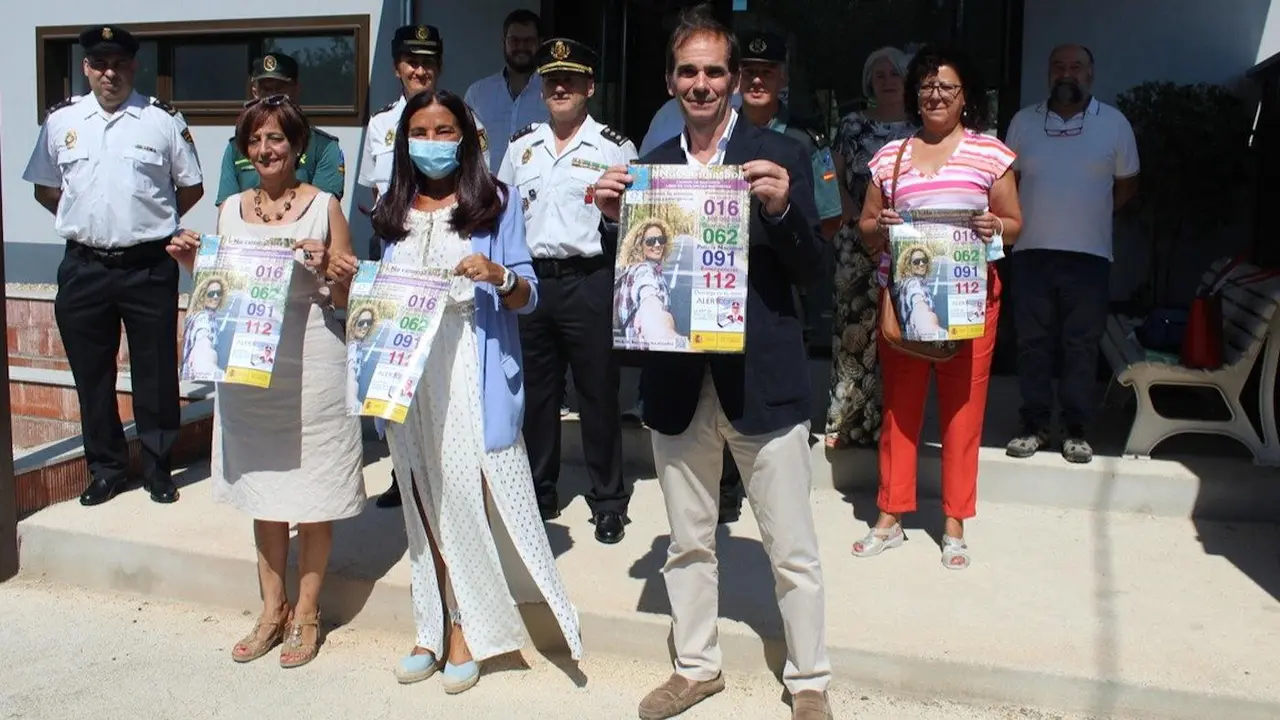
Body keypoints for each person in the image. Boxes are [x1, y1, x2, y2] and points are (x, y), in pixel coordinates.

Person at [594, 8, 832, 719]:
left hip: (761, 379)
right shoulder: (651, 166)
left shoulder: (780, 155)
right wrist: (611, 221)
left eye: (714, 71)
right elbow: (629, 278)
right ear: (672, 79)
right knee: (688, 542)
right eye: (688, 71)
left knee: (792, 547)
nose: (701, 83)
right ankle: (696, 667)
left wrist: (784, 211)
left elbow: (814, 273)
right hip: (677, 382)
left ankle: (810, 681)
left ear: (734, 79)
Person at [369, 89, 581, 694]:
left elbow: (529, 294)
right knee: (419, 494)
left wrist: (499, 275)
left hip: (468, 360)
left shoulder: (494, 202)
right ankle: (429, 624)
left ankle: (466, 627)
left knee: (462, 495)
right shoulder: (392, 207)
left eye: (444, 131)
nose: (432, 142)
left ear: (465, 137)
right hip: (407, 368)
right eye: (420, 131)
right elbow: (378, 292)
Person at [166, 94, 365, 668]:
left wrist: (329, 266)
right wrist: (189, 263)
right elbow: (220, 288)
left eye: (275, 138)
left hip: (312, 362)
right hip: (249, 370)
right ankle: (271, 609)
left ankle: (308, 612)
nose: (264, 149)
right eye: (254, 140)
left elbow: (348, 297)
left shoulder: (325, 206)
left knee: (315, 490)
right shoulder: (229, 209)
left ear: (298, 146)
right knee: (263, 491)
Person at [851, 44, 1023, 570]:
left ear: (965, 96)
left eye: (947, 86)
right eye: (927, 86)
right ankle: (890, 514)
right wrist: (878, 227)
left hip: (971, 302)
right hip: (905, 300)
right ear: (915, 95)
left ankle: (954, 522)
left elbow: (1015, 225)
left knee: (963, 413)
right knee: (899, 409)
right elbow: (865, 228)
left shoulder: (991, 153)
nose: (936, 95)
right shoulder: (890, 157)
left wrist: (996, 226)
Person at [22, 25, 204, 506]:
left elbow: (190, 187)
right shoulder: (61, 122)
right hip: (84, 267)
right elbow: (45, 188)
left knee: (155, 372)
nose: (110, 73)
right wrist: (87, 221)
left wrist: (146, 221)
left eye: (119, 63)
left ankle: (158, 468)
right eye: (100, 64)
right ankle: (106, 469)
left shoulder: (161, 121)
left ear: (133, 66)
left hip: (148, 265)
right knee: (92, 375)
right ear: (86, 67)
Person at [497, 38, 636, 542]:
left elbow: (636, 225)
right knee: (537, 394)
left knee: (597, 392)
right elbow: (503, 212)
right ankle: (540, 490)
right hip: (533, 282)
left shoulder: (614, 148)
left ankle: (609, 500)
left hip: (590, 280)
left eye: (570, 80)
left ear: (589, 87)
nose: (560, 88)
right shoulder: (521, 146)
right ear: (541, 89)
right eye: (552, 80)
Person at [358, 23, 491, 509]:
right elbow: (378, 191)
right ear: (397, 66)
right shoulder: (381, 124)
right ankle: (405, 474)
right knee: (401, 376)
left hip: (451, 255)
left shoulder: (465, 117)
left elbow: (477, 184)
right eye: (412, 61)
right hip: (401, 251)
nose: (420, 69)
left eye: (428, 61)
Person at [1004, 44, 1140, 464]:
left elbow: (1126, 185)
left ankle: (1076, 429)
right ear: (1049, 74)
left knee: (1081, 345)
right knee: (1032, 344)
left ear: (1090, 75)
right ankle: (1034, 425)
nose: (1067, 73)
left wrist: (1089, 212)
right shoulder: (1023, 122)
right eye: (1059, 66)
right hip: (1031, 253)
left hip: (1089, 256)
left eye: (1076, 67)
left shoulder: (1114, 124)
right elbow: (1009, 182)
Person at [824, 46, 916, 450]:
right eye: (880, 75)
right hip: (856, 239)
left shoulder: (921, 126)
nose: (888, 81)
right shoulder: (852, 125)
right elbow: (830, 173)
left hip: (910, 244)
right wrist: (850, 212)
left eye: (895, 74)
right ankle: (848, 424)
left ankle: (897, 425)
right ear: (869, 83)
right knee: (855, 332)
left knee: (904, 333)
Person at [214, 52, 345, 206]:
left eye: (279, 89)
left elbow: (323, 210)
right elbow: (227, 209)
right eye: (266, 89)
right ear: (255, 92)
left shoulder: (322, 146)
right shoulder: (236, 147)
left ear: (296, 89)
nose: (272, 97)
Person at [464, 9, 549, 173]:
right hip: (488, 186)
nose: (521, 47)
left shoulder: (553, 93)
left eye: (528, 41)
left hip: (537, 187)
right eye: (514, 40)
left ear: (540, 43)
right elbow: (465, 146)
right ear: (504, 42)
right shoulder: (478, 94)